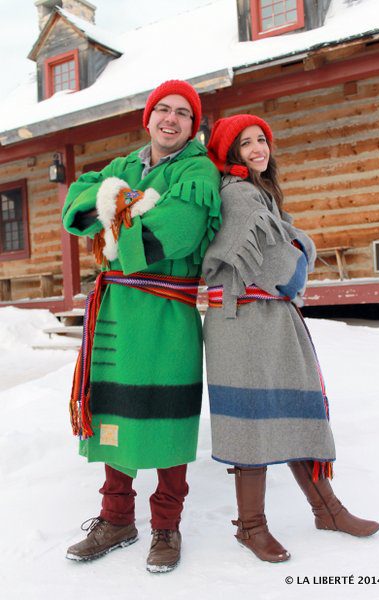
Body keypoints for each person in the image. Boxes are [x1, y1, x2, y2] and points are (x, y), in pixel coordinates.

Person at [202, 114, 379, 563]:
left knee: (292, 408)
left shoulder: (261, 194)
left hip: (269, 318)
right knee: (252, 419)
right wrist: (298, 250)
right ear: (230, 153)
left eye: (262, 139)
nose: (258, 148)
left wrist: (295, 245)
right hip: (241, 321)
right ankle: (251, 526)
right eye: (246, 143)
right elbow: (282, 262)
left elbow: (287, 247)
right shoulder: (238, 195)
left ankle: (328, 510)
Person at [62, 80, 221, 573]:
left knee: (168, 414)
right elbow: (77, 203)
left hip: (165, 311)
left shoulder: (198, 170)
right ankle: (116, 519)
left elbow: (174, 232)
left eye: (182, 114)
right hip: (115, 314)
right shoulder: (125, 167)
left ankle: (167, 527)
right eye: (162, 110)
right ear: (147, 118)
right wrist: (117, 200)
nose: (170, 119)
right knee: (115, 411)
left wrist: (112, 213)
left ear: (193, 126)